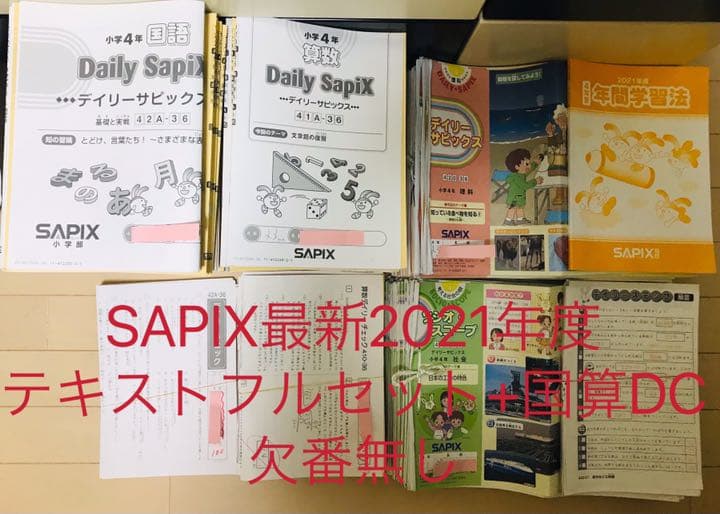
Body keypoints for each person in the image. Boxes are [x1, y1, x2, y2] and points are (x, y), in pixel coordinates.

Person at [504, 148, 543, 225]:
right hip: (514, 198)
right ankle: (508, 221)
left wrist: (535, 163)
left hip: (519, 197)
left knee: (520, 207)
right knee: (512, 209)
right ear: (517, 167)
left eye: (529, 163)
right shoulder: (517, 177)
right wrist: (535, 181)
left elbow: (529, 170)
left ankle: (520, 219)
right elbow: (525, 186)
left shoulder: (521, 173)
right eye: (526, 164)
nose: (529, 165)